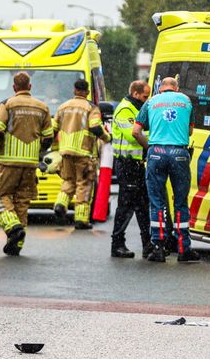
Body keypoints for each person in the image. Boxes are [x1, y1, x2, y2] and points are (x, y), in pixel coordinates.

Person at [0, 72, 54, 256]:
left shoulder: (8, 104)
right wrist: (37, 153)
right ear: (30, 87)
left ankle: (12, 227)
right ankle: (17, 244)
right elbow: (49, 137)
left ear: (14, 87)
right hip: (30, 164)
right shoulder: (43, 107)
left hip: (8, 162)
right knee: (22, 202)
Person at [136, 77, 200, 263]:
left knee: (157, 203)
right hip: (179, 153)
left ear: (160, 88)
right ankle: (183, 248)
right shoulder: (186, 101)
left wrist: (150, 148)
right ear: (177, 88)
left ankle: (158, 247)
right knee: (180, 202)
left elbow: (136, 131)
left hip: (156, 153)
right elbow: (189, 131)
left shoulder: (151, 102)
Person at [53, 79, 108, 230]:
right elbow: (96, 127)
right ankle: (81, 219)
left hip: (65, 152)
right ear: (87, 92)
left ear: (74, 90)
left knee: (69, 180)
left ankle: (60, 204)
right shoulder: (91, 107)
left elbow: (53, 129)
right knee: (84, 184)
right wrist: (107, 138)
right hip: (83, 152)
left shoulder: (63, 106)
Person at [109, 81, 152, 258]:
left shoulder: (136, 109)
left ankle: (147, 244)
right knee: (126, 205)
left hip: (137, 164)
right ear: (135, 94)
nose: (146, 100)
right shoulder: (125, 109)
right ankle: (117, 243)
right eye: (144, 96)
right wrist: (155, 137)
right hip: (127, 164)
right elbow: (133, 135)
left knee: (142, 204)